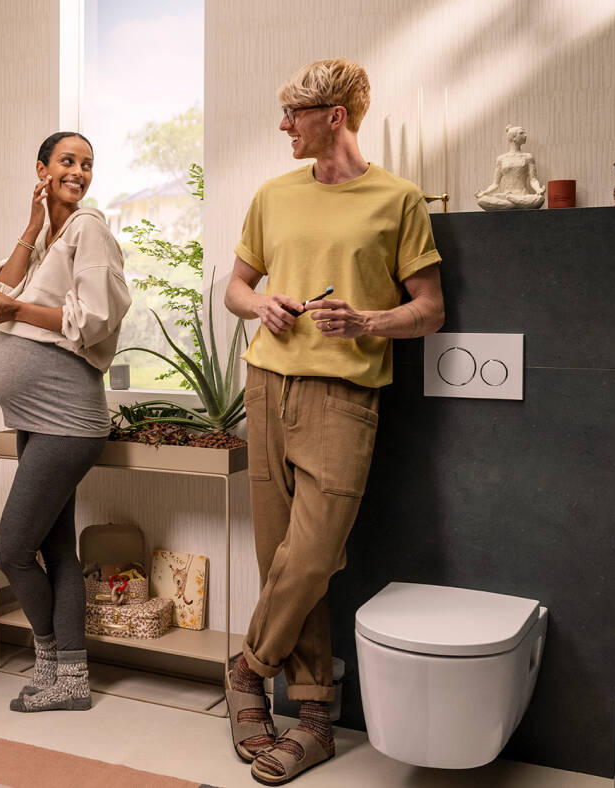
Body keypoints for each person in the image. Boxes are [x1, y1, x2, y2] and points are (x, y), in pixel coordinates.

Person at [221, 58, 446, 784]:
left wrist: (367, 319)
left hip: (344, 397)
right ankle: (315, 720)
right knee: (279, 556)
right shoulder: (272, 195)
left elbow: (430, 309)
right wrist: (262, 306)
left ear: (335, 116)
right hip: (266, 385)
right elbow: (235, 287)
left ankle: (247, 668)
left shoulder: (398, 199)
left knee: (312, 554)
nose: (283, 126)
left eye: (294, 113)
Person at [0, 131, 131, 713]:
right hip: (35, 415)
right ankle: (72, 677)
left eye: (88, 164)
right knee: (57, 549)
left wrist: (14, 310)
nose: (80, 172)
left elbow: (92, 317)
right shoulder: (53, 233)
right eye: (68, 162)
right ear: (41, 168)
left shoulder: (90, 227)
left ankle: (50, 663)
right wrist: (31, 222)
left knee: (12, 550)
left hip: (68, 417)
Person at [475, 126, 545, 210]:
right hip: (506, 196)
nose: (525, 135)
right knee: (481, 200)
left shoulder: (528, 157)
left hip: (522, 196)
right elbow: (495, 184)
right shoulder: (501, 159)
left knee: (539, 199)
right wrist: (484, 192)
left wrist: (538, 190)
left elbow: (533, 179)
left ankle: (512, 203)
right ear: (513, 138)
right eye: (521, 133)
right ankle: (515, 204)